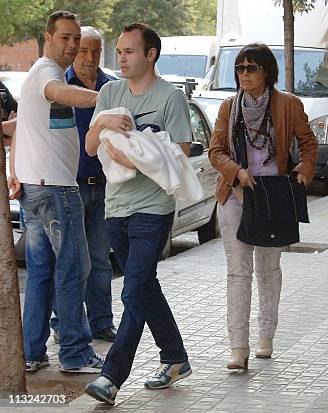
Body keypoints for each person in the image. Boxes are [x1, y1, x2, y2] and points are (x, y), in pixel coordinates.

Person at [83, 23, 192, 405]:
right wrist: (103, 122)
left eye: (130, 51)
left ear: (151, 54)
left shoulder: (170, 98)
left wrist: (138, 156)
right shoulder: (110, 92)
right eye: (120, 51)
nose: (121, 57)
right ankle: (175, 356)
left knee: (133, 289)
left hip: (153, 209)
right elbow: (90, 144)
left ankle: (111, 378)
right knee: (144, 287)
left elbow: (180, 152)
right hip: (116, 208)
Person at [208, 43, 317, 370]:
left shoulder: (288, 105)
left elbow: (308, 144)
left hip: (273, 197)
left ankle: (266, 336)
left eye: (250, 68)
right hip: (237, 195)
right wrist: (236, 172)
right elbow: (216, 151)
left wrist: (303, 172)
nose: (243, 74)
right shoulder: (229, 108)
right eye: (240, 69)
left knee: (268, 270)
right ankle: (237, 347)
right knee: (238, 273)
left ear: (266, 72)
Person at [8, 10, 103, 373]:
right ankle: (75, 354)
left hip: (37, 188)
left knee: (43, 273)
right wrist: (102, 97)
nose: (73, 45)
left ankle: (32, 353)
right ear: (48, 37)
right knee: (73, 268)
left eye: (76, 39)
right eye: (65, 37)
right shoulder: (48, 73)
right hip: (56, 190)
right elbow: (59, 92)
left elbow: (20, 126)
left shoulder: (37, 73)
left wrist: (15, 171)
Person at [49, 26, 118, 343]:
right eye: (83, 50)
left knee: (101, 260)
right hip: (67, 187)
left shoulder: (112, 87)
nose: (90, 57)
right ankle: (64, 323)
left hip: (103, 187)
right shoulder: (60, 86)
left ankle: (102, 322)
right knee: (71, 262)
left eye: (96, 51)